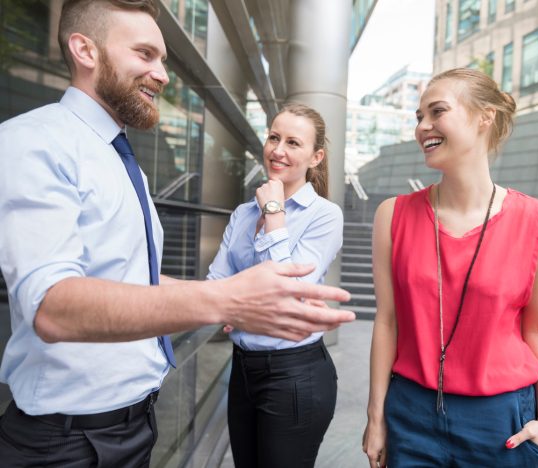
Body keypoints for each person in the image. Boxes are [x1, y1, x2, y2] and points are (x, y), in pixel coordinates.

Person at [0, 1, 355, 466]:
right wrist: (226, 299)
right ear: (85, 50)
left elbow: (139, 282)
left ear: (316, 158)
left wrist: (230, 294)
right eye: (146, 55)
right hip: (69, 442)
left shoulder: (120, 160)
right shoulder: (34, 141)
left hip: (138, 422)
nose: (163, 75)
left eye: (163, 59)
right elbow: (51, 304)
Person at [362, 68, 538, 468]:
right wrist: (376, 417)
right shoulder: (393, 215)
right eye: (419, 116)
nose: (423, 127)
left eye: (436, 112)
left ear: (484, 117)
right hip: (410, 412)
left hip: (502, 422)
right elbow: (387, 322)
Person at [207, 103, 342, 468]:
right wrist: (229, 304)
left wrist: (274, 214)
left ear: (316, 157)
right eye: (274, 137)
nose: (278, 150)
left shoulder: (325, 216)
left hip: (294, 375)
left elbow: (292, 290)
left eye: (293, 143)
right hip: (243, 369)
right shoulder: (241, 213)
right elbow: (217, 283)